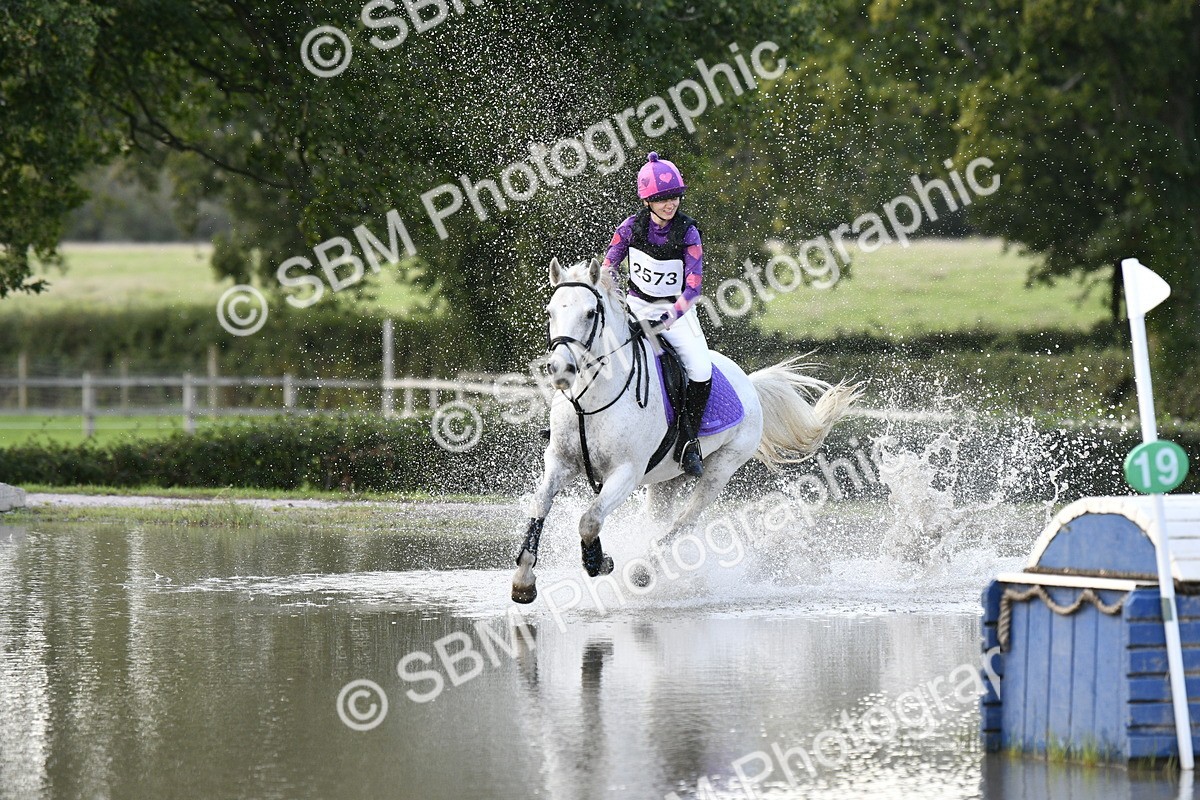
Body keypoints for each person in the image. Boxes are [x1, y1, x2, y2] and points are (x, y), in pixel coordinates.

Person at [602, 152, 712, 477]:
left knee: (701, 369)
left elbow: (692, 288)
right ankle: (572, 421)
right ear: (648, 200)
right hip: (635, 305)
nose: (670, 204)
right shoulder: (629, 228)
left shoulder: (689, 232)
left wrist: (666, 320)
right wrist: (612, 286)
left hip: (674, 311)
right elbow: (608, 266)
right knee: (594, 348)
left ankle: (689, 442)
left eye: (674, 196)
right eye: (662, 199)